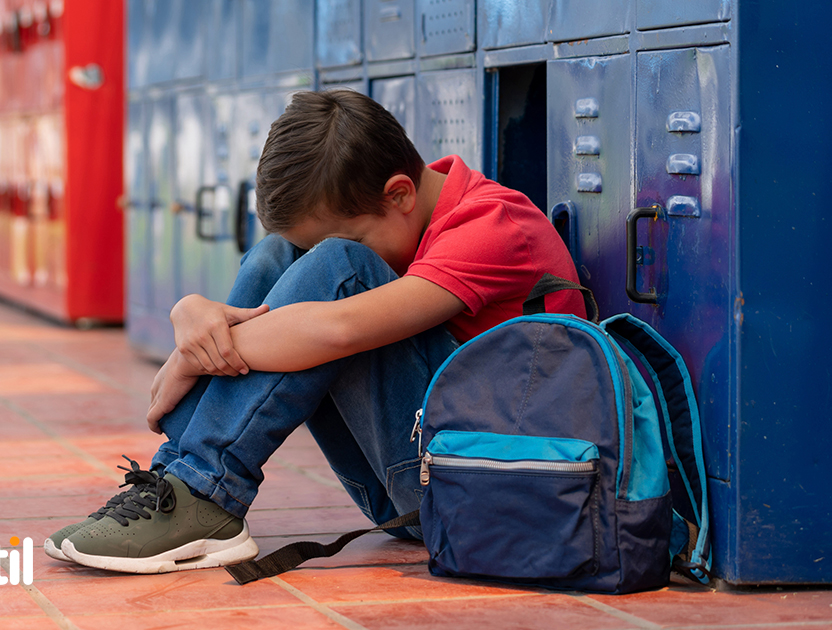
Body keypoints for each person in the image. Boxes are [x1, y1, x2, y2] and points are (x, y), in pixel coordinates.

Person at [43, 89, 585, 573]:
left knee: (339, 267)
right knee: (278, 253)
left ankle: (205, 492)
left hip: (486, 495)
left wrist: (193, 355)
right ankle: (179, 486)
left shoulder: (496, 227)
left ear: (399, 195)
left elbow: (340, 329)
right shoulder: (407, 215)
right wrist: (191, 312)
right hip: (407, 487)